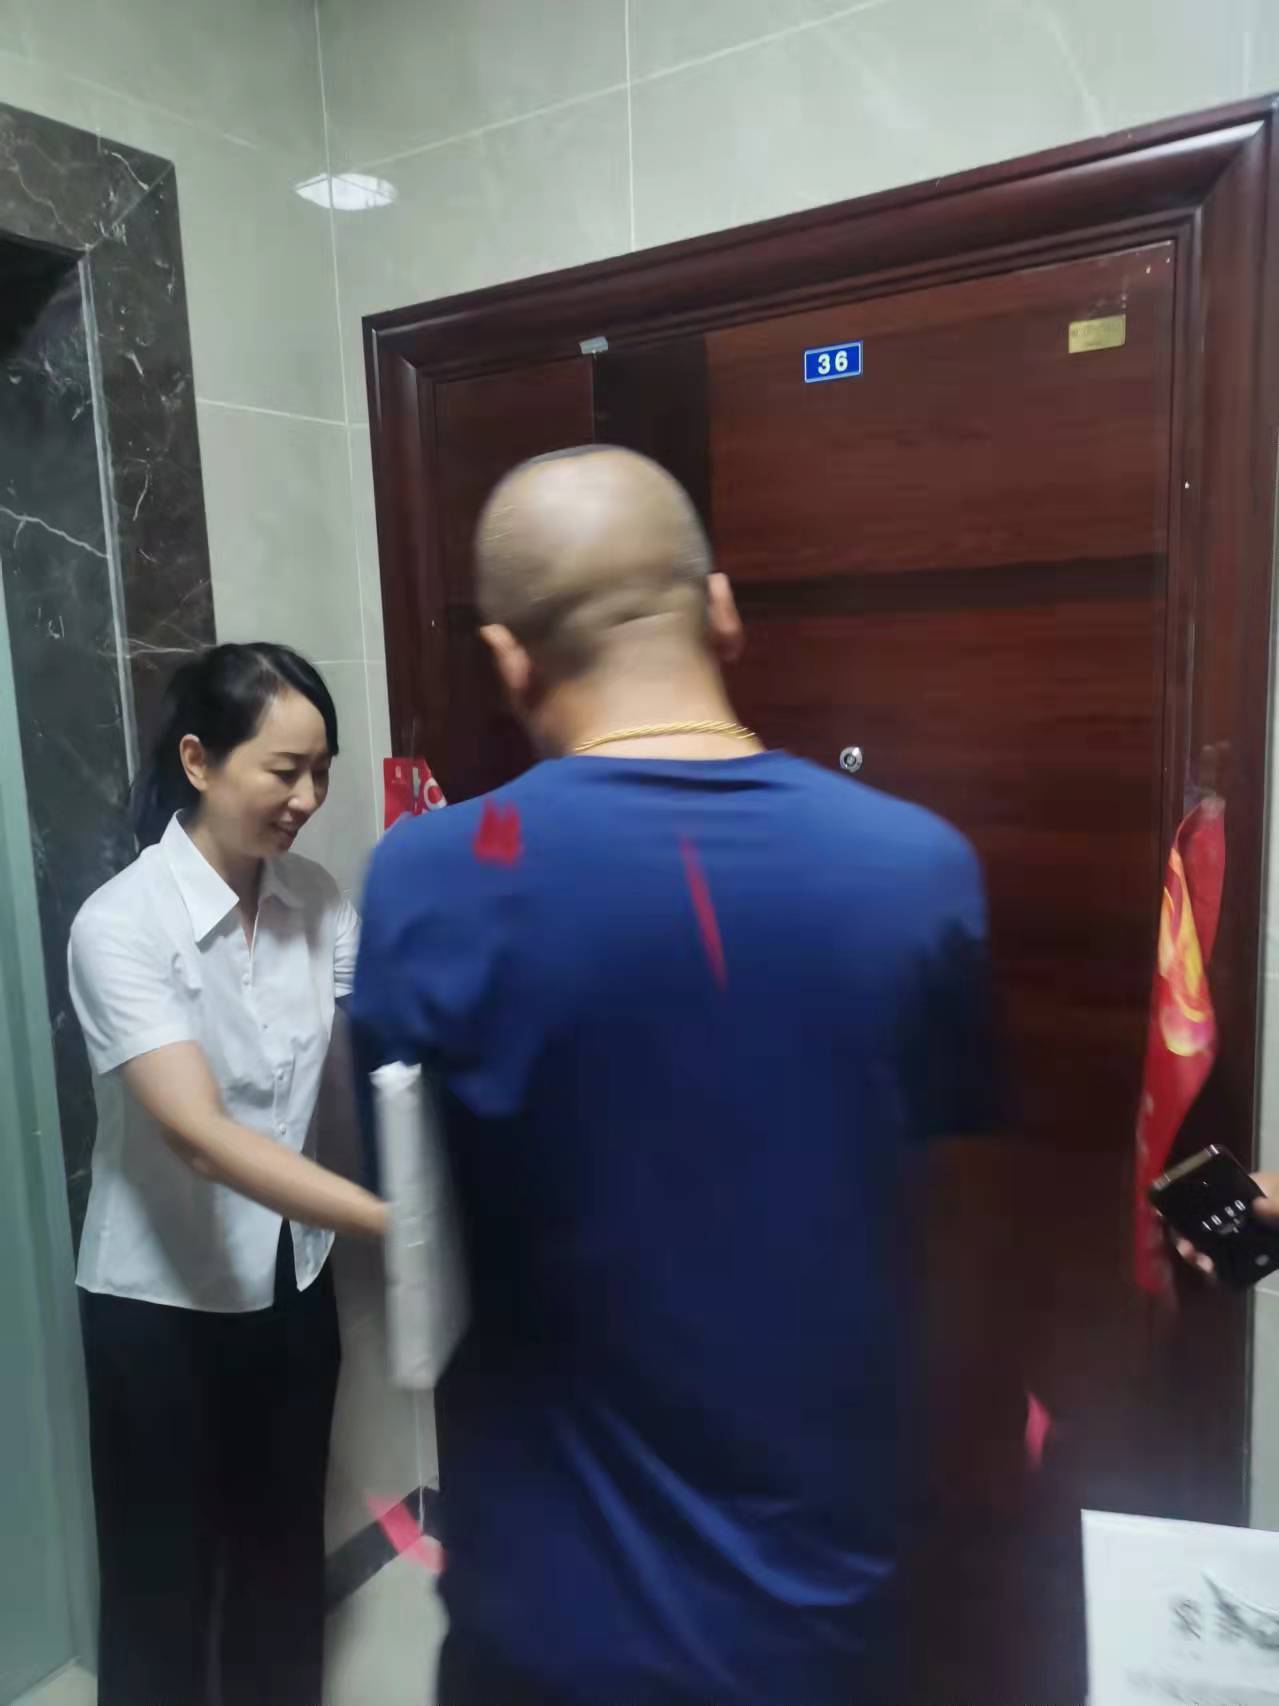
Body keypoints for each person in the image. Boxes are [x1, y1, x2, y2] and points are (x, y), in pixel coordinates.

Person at [352, 447, 996, 1705]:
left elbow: (423, 1245)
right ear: (720, 609)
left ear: (508, 658)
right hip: (823, 1610)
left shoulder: (425, 877)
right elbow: (962, 1255)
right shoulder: (920, 868)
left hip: (542, 1616)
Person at [68, 643, 387, 1706]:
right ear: (199, 760)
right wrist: (394, 1218)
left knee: (281, 1556)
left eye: (322, 770)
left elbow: (372, 1047)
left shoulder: (316, 900)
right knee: (160, 1583)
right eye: (284, 770)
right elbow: (199, 1134)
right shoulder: (121, 924)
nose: (309, 797)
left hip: (291, 1285)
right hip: (159, 1305)